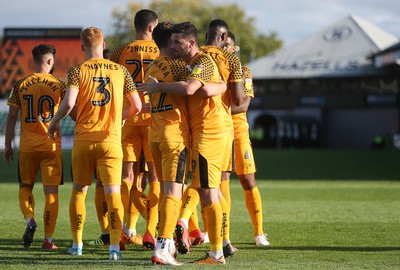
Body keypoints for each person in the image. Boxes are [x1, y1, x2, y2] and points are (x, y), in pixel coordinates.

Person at [47, 26, 142, 260]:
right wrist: (119, 118)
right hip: (110, 141)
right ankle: (114, 248)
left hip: (84, 140)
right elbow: (137, 107)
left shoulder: (76, 71)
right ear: (103, 43)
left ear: (82, 47)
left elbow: (69, 104)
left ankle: (77, 244)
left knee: (79, 191)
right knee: (113, 194)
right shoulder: (121, 71)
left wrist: (54, 121)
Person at [139, 21, 227, 265]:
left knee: (206, 193)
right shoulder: (181, 67)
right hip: (179, 135)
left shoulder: (163, 66)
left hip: (201, 134)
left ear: (190, 42)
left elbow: (191, 88)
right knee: (192, 192)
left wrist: (218, 87)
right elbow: (194, 88)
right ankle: (170, 245)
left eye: (180, 41)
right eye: (174, 41)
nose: (176, 45)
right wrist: (220, 86)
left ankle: (215, 252)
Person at [4, 44, 66, 250]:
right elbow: (69, 109)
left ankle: (30, 219)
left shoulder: (20, 84)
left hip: (28, 147)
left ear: (34, 60)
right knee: (51, 193)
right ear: (50, 61)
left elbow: (12, 117)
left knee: (25, 187)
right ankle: (48, 241)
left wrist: (8, 145)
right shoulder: (59, 84)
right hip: (51, 146)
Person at [108, 9, 160, 249]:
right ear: (151, 28)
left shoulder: (121, 50)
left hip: (128, 117)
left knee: (127, 177)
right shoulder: (162, 49)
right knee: (156, 175)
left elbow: (106, 75)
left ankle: (124, 230)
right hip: (153, 116)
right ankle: (152, 229)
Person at [225, 31, 270, 246]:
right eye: (223, 44)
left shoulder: (244, 71)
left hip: (239, 132)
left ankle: (259, 232)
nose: (226, 48)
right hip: (216, 132)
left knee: (247, 180)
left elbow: (243, 105)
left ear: (234, 48)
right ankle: (211, 231)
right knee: (213, 184)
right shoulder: (210, 69)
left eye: (229, 45)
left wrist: (217, 108)